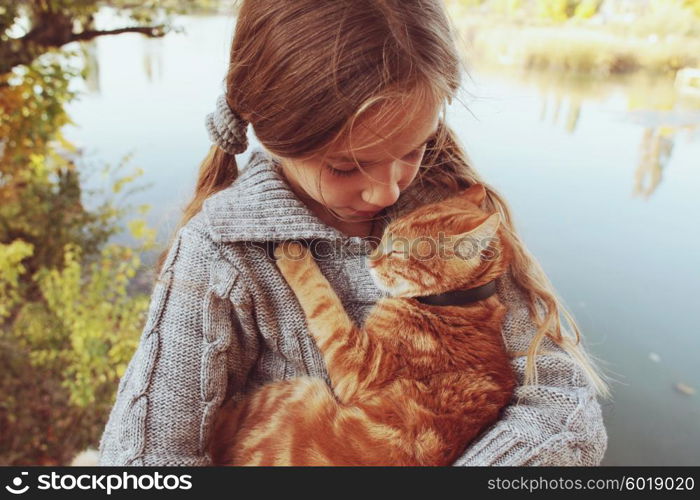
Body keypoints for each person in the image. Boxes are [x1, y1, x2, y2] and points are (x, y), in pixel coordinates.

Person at [97, 0, 610, 466]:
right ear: (272, 131)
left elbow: (563, 408)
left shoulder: (456, 220)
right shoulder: (221, 252)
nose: (387, 192)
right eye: (346, 167)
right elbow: (144, 457)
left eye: (413, 149)